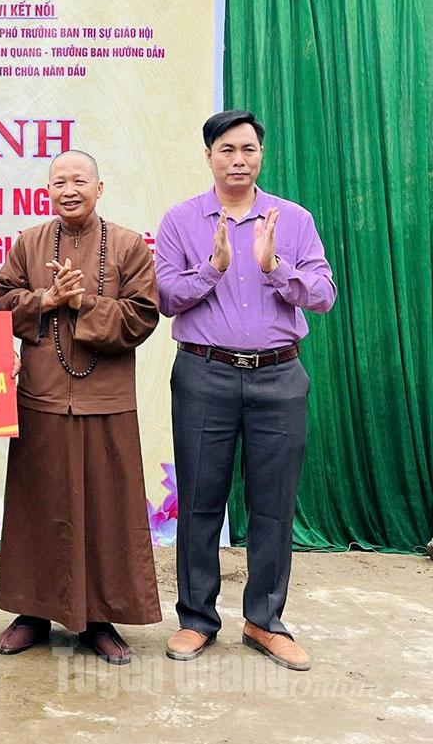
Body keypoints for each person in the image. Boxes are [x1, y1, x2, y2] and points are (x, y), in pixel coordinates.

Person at [156, 110, 336, 672]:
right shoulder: (181, 220)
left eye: (249, 150)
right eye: (228, 149)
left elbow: (324, 294)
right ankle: (196, 619)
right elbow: (164, 297)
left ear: (261, 155)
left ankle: (264, 620)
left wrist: (275, 265)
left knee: (273, 504)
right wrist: (212, 268)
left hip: (280, 376)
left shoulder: (294, 219)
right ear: (208, 155)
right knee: (202, 500)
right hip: (204, 373)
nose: (239, 160)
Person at [0, 150, 161, 664]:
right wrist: (44, 300)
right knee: (37, 504)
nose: (69, 189)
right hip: (41, 396)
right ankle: (33, 612)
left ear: (99, 187)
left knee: (105, 510)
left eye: (79, 180)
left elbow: (144, 316)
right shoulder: (29, 242)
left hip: (105, 398)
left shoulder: (129, 245)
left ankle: (99, 619)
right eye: (58, 181)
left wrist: (84, 302)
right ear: (48, 190)